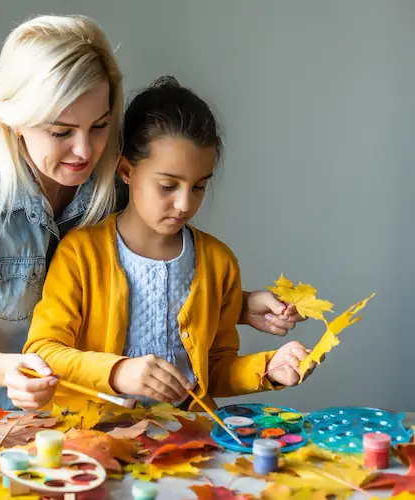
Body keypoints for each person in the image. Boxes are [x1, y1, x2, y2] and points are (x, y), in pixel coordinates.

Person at [0, 15, 303, 412]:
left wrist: (238, 305)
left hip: (44, 425)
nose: (85, 151)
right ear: (13, 120)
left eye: (99, 126)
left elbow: (138, 284)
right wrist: (13, 368)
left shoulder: (112, 191)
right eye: (61, 132)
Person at [23, 76, 317, 411]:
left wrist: (270, 368)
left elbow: (213, 371)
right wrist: (118, 372)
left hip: (188, 442)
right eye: (167, 185)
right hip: (98, 440)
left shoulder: (217, 263)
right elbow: (42, 352)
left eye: (198, 187)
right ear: (126, 170)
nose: (184, 205)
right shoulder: (81, 254)